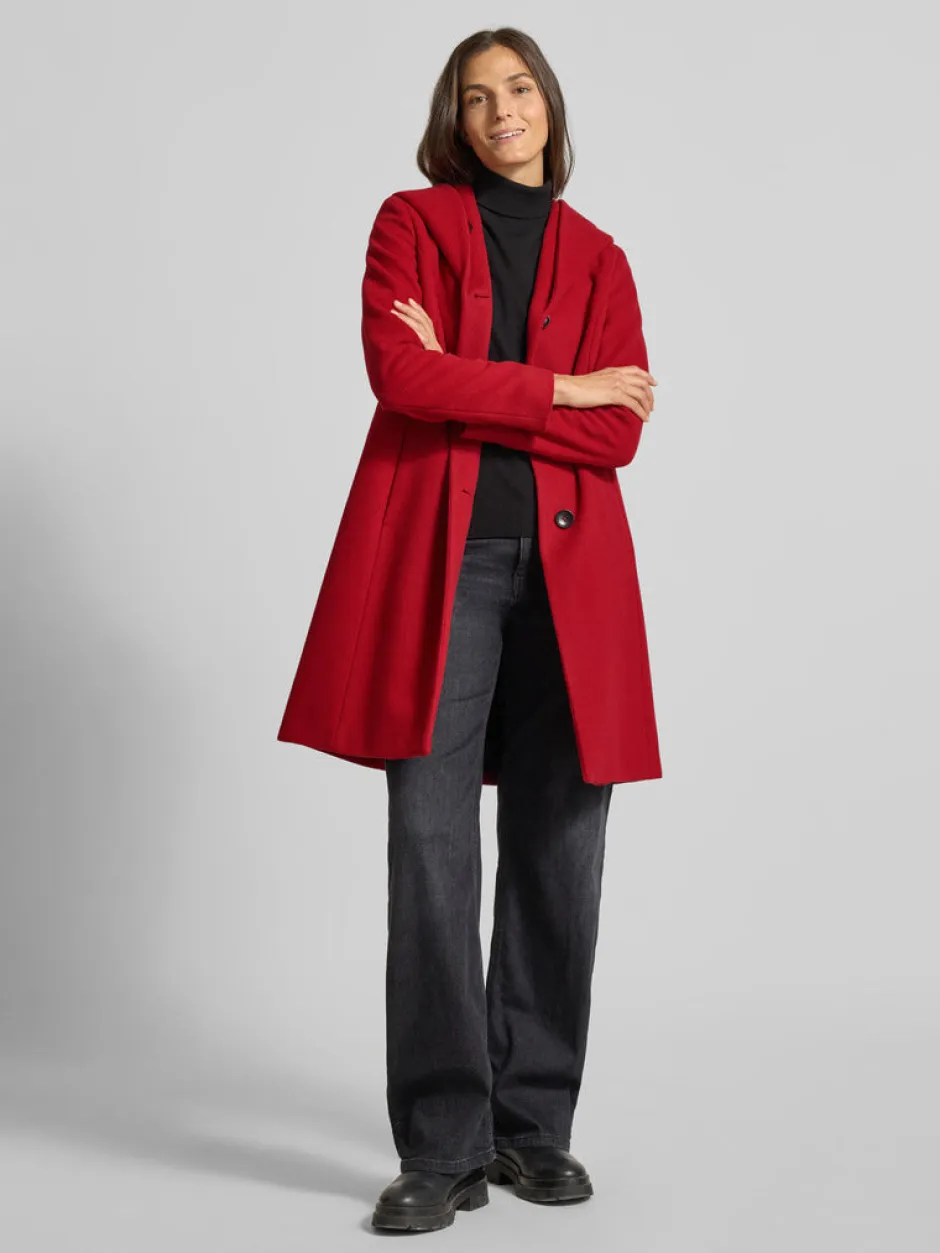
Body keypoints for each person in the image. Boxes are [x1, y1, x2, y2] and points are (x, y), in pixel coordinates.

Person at [276, 26, 661, 1234]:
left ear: (550, 105)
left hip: (572, 579)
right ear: (454, 117)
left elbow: (619, 432)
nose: (502, 110)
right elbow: (402, 377)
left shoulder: (600, 256)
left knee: (560, 845)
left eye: (520, 88)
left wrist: (475, 381)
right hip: (439, 573)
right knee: (430, 844)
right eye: (477, 95)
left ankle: (530, 1127)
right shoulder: (411, 223)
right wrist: (558, 387)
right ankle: (441, 1145)